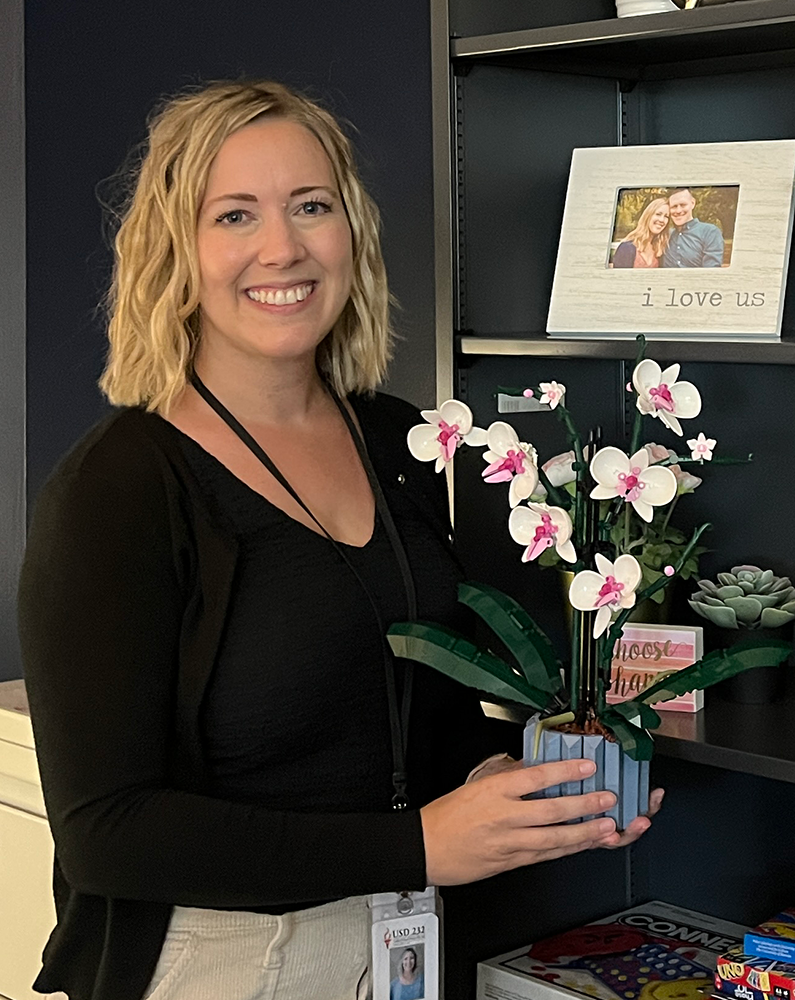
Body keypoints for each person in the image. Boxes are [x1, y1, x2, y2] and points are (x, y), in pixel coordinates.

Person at [17, 79, 662, 1000]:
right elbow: (107, 832)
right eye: (234, 215)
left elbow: (412, 722)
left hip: (402, 940)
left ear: (351, 231)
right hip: (221, 963)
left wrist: (526, 794)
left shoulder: (400, 442)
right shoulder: (117, 490)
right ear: (174, 249)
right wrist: (423, 843)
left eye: (311, 206)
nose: (282, 248)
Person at [661, 188, 724, 268]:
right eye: (674, 206)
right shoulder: (665, 235)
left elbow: (711, 272)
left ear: (692, 203)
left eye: (683, 205)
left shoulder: (710, 232)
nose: (678, 210)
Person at [610, 196, 670, 268]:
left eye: (666, 216)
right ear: (648, 216)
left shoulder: (660, 250)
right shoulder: (626, 248)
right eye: (658, 214)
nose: (662, 220)